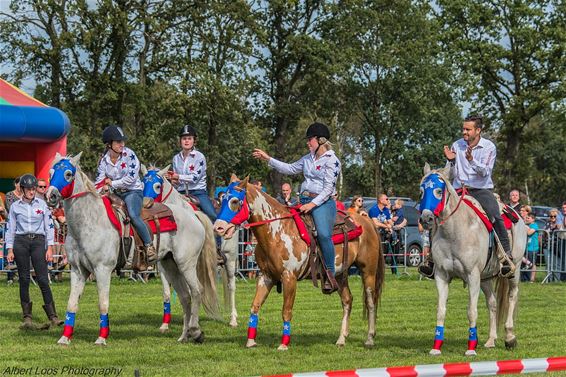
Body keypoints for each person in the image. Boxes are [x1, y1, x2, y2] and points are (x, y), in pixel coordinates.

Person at [420, 115, 514, 278]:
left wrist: (471, 160)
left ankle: (506, 256)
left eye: (468, 129)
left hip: (480, 189)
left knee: (494, 214)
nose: (464, 132)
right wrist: (452, 162)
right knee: (437, 215)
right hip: (458, 190)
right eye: (463, 128)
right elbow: (453, 173)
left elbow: (485, 172)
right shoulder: (457, 145)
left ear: (478, 130)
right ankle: (431, 260)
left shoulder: (489, 147)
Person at [252, 122, 341, 294]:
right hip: (305, 201)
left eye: (310, 139)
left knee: (323, 233)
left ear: (321, 140)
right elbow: (290, 168)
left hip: (322, 203)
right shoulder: (308, 158)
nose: (308, 143)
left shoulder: (332, 160)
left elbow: (329, 188)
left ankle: (329, 273)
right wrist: (268, 158)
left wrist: (312, 204)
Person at [5, 174, 63, 329]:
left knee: (43, 279)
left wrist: (49, 248)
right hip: (21, 242)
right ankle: (27, 317)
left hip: (38, 242)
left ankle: (53, 317)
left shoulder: (42, 205)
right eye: (28, 189)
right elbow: (10, 228)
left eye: (33, 188)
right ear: (22, 189)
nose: (32, 191)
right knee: (24, 279)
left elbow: (48, 227)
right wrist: (9, 249)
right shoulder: (16, 207)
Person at [95, 125, 157, 266]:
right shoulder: (104, 161)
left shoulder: (130, 155)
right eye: (118, 142)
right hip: (116, 193)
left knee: (134, 216)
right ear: (109, 144)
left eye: (122, 141)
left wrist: (111, 184)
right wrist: (94, 194)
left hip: (133, 192)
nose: (122, 144)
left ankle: (149, 246)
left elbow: (131, 179)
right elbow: (98, 181)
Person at [168, 125, 217, 222]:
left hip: (197, 192)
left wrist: (177, 176)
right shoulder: (176, 158)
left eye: (189, 138)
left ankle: (217, 236)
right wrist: (172, 180)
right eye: (184, 138)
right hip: (180, 193)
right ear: (180, 141)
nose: (186, 141)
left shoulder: (199, 157)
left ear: (194, 141)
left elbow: (195, 178)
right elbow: (177, 182)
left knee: (212, 215)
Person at [523, 212, 539, 283]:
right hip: (527, 247)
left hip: (533, 248)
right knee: (526, 262)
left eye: (528, 218)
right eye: (526, 218)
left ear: (533, 219)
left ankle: (532, 279)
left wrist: (525, 227)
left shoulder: (535, 225)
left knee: (533, 264)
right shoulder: (528, 225)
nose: (526, 219)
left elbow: (529, 233)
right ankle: (526, 278)